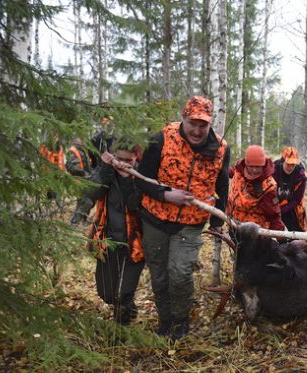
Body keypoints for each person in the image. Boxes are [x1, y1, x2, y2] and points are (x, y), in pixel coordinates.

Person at [136, 96, 230, 341]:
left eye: (203, 125)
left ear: (210, 124)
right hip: (154, 218)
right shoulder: (161, 138)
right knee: (159, 275)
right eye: (192, 124)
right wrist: (166, 195)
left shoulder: (221, 148)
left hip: (191, 223)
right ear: (183, 119)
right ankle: (165, 320)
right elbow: (141, 179)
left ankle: (180, 320)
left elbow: (223, 185)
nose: (197, 130)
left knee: (179, 273)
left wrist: (218, 222)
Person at [86, 143, 145, 325]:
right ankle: (127, 306)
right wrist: (105, 169)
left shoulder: (141, 176)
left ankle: (121, 330)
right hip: (107, 240)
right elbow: (91, 193)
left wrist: (128, 179)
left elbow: (136, 206)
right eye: (119, 159)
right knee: (107, 294)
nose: (122, 164)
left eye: (129, 160)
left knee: (123, 294)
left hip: (135, 244)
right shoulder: (105, 171)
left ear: (135, 159)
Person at [227, 145, 285, 231]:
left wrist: (281, 237)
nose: (254, 170)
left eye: (258, 167)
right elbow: (232, 172)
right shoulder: (239, 170)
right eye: (251, 166)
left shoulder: (268, 187)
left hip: (255, 234)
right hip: (233, 225)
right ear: (246, 164)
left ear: (263, 165)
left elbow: (274, 216)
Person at [272, 146, 307, 232]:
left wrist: (282, 211)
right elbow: (267, 194)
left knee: (295, 235)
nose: (290, 167)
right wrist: (275, 210)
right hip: (274, 205)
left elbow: (297, 199)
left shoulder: (300, 176)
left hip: (292, 207)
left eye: (293, 164)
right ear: (283, 161)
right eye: (288, 164)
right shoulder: (273, 171)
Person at [67, 137, 95, 225]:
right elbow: (71, 167)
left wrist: (91, 174)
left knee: (86, 201)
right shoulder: (73, 151)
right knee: (85, 202)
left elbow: (87, 165)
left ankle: (82, 220)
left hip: (85, 180)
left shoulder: (82, 150)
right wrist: (84, 173)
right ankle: (74, 222)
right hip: (79, 180)